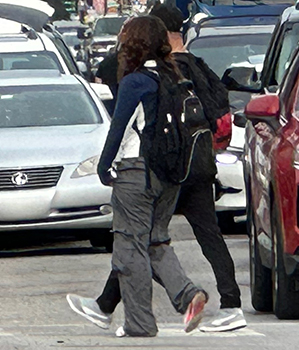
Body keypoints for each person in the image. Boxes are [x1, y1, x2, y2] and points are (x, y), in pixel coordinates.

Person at [67, 4, 247, 333]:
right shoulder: (180, 73)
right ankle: (194, 296)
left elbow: (119, 128)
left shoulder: (136, 80)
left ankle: (139, 322)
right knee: (157, 242)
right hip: (181, 170)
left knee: (130, 247)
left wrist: (105, 166)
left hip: (139, 172)